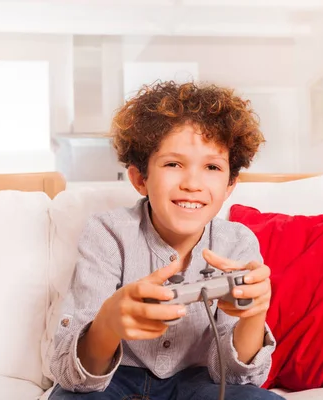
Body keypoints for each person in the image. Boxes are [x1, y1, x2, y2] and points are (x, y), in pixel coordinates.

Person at [49, 81, 283, 400]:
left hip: (199, 382)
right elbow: (74, 378)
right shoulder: (107, 232)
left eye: (212, 167)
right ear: (140, 178)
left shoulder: (238, 242)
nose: (192, 183)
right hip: (114, 379)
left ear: (230, 186)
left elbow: (237, 380)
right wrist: (106, 325)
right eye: (174, 164)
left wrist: (254, 315)